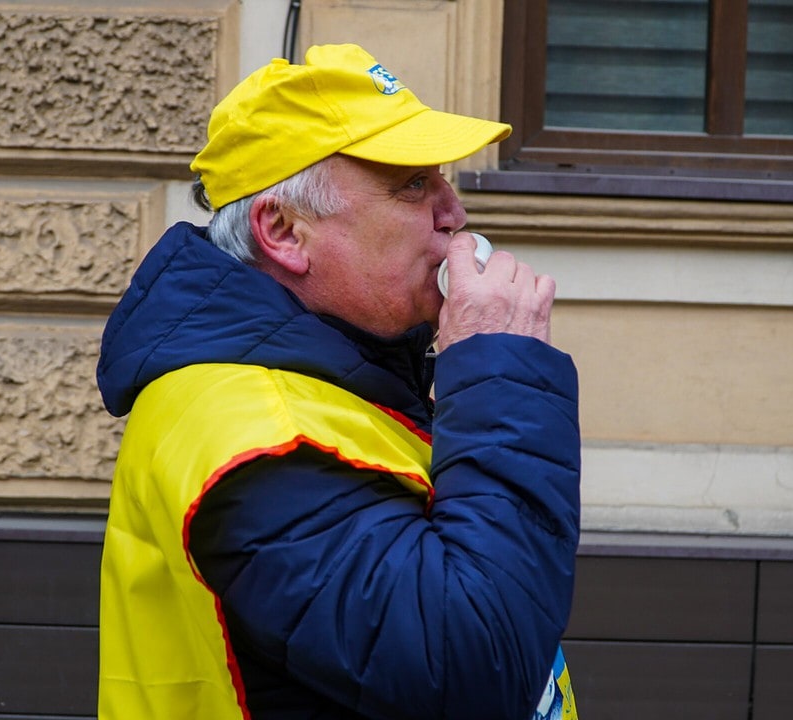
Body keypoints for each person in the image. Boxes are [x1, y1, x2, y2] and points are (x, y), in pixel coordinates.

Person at [96, 43, 582, 720]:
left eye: (442, 180)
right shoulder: (250, 436)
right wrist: (501, 369)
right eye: (412, 184)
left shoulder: (345, 376)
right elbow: (471, 666)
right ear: (285, 231)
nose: (453, 212)